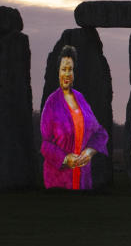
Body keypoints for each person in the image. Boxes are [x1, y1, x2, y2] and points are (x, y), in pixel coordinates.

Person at [40, 45, 109, 190]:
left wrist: (89, 151)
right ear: (58, 72)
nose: (66, 74)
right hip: (59, 181)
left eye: (70, 69)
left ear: (74, 71)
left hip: (83, 179)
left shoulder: (80, 99)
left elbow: (100, 132)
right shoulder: (51, 103)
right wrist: (65, 159)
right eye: (63, 69)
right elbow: (45, 145)